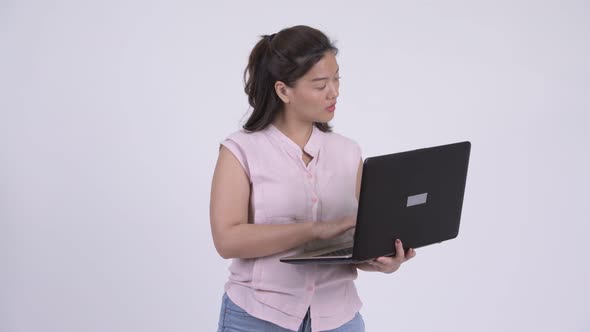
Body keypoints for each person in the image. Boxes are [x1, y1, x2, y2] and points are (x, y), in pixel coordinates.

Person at [210, 25, 416, 332]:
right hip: (258, 317)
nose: (334, 92)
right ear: (283, 91)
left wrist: (381, 260)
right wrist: (315, 230)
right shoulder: (241, 150)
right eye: (320, 85)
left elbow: (355, 241)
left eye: (337, 79)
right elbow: (227, 240)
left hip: (339, 319)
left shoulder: (348, 152)